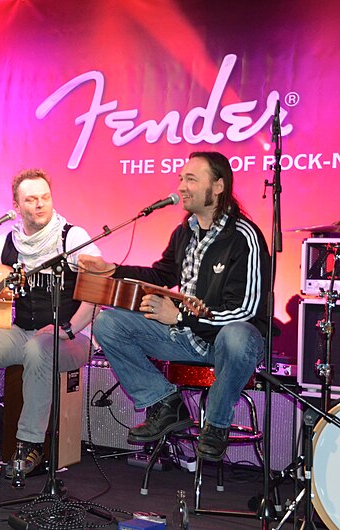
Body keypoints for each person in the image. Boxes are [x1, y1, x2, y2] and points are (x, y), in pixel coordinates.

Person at [79, 151, 270, 461]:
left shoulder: (243, 236)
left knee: (238, 335)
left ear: (218, 187)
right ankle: (166, 403)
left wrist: (179, 317)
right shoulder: (184, 232)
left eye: (191, 179)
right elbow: (161, 274)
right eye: (181, 178)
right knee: (107, 323)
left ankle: (217, 424)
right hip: (185, 339)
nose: (181, 186)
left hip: (226, 343)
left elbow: (246, 310)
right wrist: (112, 269)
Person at [0, 168, 101, 476]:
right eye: (31, 199)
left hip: (74, 338)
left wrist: (69, 328)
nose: (40, 204)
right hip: (24, 333)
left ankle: (30, 445)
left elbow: (97, 293)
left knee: (38, 349)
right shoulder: (5, 243)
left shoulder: (73, 238)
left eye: (45, 197)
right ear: (16, 206)